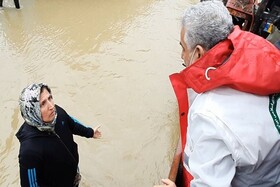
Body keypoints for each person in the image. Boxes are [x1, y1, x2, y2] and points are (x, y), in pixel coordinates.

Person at [155, 1, 280, 186]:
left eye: (183, 47)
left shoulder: (208, 115)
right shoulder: (264, 59)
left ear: (198, 53)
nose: (182, 55)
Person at [16, 83, 101, 187]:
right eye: (43, 104)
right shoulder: (29, 151)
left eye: (50, 98)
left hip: (73, 176)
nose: (51, 106)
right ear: (32, 111)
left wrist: (90, 132)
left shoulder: (57, 114)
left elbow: (72, 123)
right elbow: (30, 184)